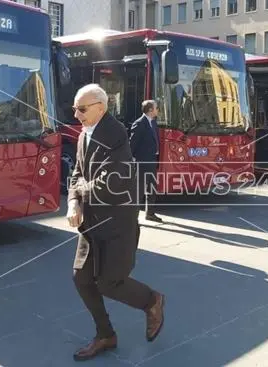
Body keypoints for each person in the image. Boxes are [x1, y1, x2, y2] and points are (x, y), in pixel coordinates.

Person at [66, 84, 165, 361]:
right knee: (82, 278)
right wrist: (73, 201)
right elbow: (77, 173)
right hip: (92, 222)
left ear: (101, 107)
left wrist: (80, 191)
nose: (76, 114)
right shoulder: (85, 134)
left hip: (116, 224)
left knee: (110, 283)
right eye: (75, 108)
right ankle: (106, 335)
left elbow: (112, 183)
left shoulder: (116, 135)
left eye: (81, 109)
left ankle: (152, 301)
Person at [129, 100, 163, 222]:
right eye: (156, 108)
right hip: (142, 163)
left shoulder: (153, 123)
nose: (158, 110)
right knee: (139, 191)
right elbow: (132, 144)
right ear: (150, 110)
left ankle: (150, 214)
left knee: (152, 189)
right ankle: (133, 218)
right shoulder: (139, 123)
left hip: (152, 161)